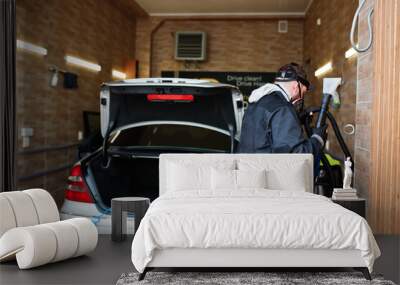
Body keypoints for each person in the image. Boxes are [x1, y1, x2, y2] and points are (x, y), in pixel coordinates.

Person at [237, 62, 327, 157]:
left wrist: (295, 121)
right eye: (303, 93)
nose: (301, 99)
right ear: (296, 87)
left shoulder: (257, 102)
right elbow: (296, 154)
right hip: (268, 170)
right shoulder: (283, 108)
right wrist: (317, 139)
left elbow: (265, 136)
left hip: (249, 168)